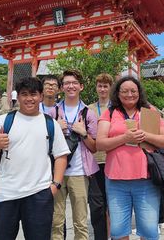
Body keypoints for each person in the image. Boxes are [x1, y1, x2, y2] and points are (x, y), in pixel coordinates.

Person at [0, 77, 70, 240]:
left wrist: (55, 185)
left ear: (41, 96)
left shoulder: (50, 123)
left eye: (33, 94)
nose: (29, 98)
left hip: (39, 193)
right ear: (18, 96)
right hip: (5, 193)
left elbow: (61, 156)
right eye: (24, 94)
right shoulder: (4, 120)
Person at [96, 76, 164, 240]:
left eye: (133, 91)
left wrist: (145, 135)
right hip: (116, 181)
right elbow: (100, 144)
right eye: (124, 91)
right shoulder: (110, 112)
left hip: (146, 180)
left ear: (139, 92)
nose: (129, 94)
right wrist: (125, 138)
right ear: (117, 93)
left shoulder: (149, 111)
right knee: (118, 230)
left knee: (149, 230)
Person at [49, 69, 99, 240]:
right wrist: (55, 127)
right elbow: (43, 143)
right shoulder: (52, 113)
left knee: (80, 221)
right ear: (62, 88)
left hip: (79, 172)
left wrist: (84, 133)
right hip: (57, 173)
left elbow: (94, 147)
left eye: (74, 83)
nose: (71, 86)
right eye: (67, 83)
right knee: (56, 220)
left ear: (81, 87)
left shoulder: (88, 114)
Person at [86, 73, 113, 240]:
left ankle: (113, 235)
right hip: (94, 162)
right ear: (96, 88)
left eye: (105, 86)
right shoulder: (88, 109)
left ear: (110, 88)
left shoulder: (116, 108)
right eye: (100, 86)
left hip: (113, 161)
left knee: (113, 204)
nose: (102, 89)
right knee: (97, 205)